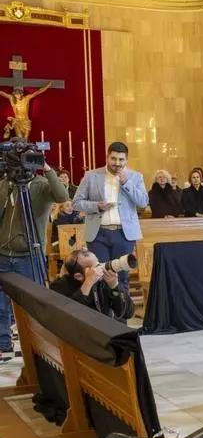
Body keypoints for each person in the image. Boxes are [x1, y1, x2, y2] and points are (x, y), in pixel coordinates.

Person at [0, 159, 69, 361]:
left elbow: (62, 196)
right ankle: (3, 343)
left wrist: (47, 168)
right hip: (3, 254)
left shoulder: (40, 185)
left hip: (28, 256)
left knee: (32, 304)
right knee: (0, 304)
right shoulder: (6, 184)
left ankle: (37, 345)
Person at [73, 142, 147, 292]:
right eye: (113, 159)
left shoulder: (135, 177)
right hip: (98, 234)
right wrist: (97, 206)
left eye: (121, 160)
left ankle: (121, 314)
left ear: (126, 160)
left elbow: (143, 202)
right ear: (107, 157)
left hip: (124, 234)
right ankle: (102, 314)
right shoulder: (91, 176)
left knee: (122, 276)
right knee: (99, 276)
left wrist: (126, 182)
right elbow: (76, 203)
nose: (117, 163)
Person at [50, 248, 134, 322]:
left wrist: (115, 286)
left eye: (99, 263)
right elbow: (70, 317)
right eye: (95, 266)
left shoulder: (103, 282)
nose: (100, 268)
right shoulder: (59, 286)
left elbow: (128, 313)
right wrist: (88, 283)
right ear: (78, 276)